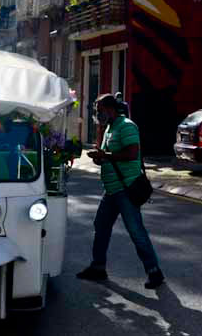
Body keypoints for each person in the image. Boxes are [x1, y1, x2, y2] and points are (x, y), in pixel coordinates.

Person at [77, 94, 164, 289]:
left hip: (126, 188)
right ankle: (98, 267)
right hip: (111, 190)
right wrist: (100, 158)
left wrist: (105, 155)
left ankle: (154, 272)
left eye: (99, 111)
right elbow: (109, 156)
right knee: (100, 226)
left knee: (136, 231)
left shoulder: (126, 126)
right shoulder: (109, 128)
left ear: (110, 109)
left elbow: (132, 153)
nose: (97, 114)